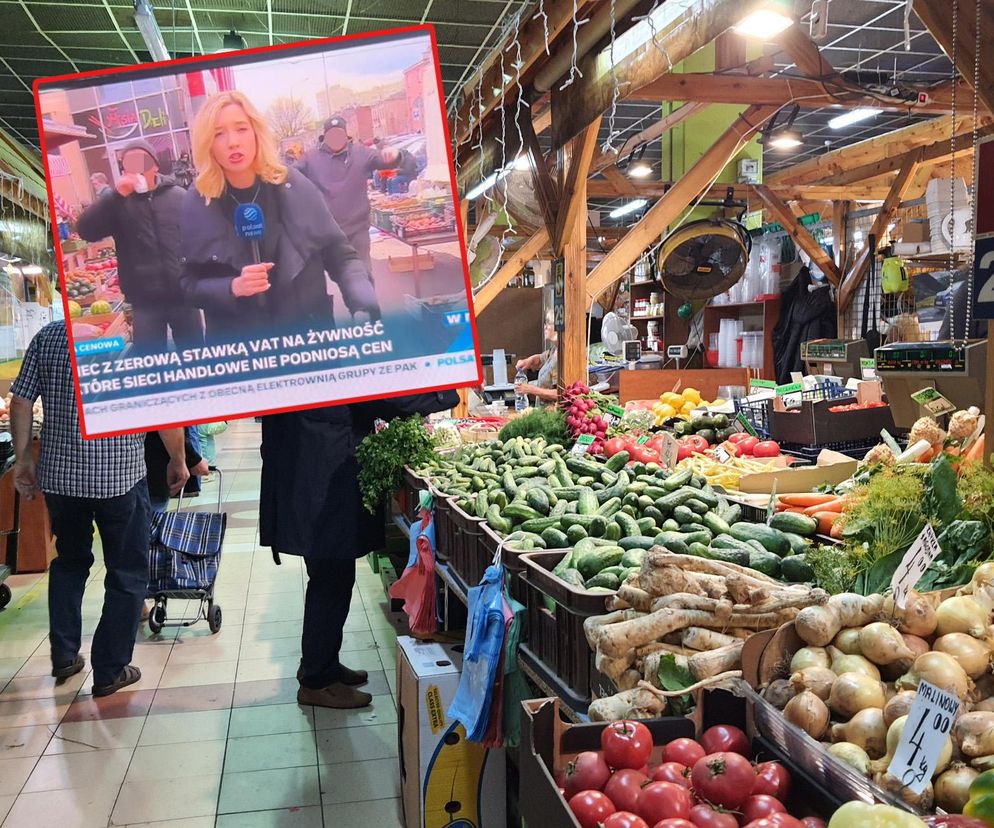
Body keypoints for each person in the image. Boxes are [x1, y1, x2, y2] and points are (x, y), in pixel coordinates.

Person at [9, 321, 190, 696]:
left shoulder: (49, 336)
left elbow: (22, 400)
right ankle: (109, 670)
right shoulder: (141, 339)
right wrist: (178, 459)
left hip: (62, 478)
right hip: (119, 479)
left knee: (70, 563)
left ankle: (64, 654)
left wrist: (24, 460)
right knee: (126, 571)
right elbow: (162, 410)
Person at [260, 391, 458, 709]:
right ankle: (317, 680)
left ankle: (321, 661)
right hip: (320, 476)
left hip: (312, 467)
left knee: (331, 575)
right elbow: (382, 400)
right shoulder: (331, 361)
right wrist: (439, 394)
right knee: (330, 578)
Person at [180, 92, 379, 342]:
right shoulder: (198, 201)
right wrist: (232, 287)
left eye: (241, 129)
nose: (232, 142)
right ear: (207, 143)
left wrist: (362, 302)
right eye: (219, 133)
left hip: (307, 342)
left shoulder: (293, 185)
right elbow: (187, 285)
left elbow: (342, 257)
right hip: (239, 352)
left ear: (256, 132)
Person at [77, 141, 204, 355]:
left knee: (196, 358)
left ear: (155, 166)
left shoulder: (179, 196)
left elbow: (198, 237)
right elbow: (86, 231)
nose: (137, 168)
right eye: (130, 163)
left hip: (183, 295)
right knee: (150, 362)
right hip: (144, 301)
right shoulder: (118, 204)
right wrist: (115, 196)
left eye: (142, 161)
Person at [296, 115, 415, 269]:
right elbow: (291, 174)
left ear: (346, 135)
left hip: (357, 230)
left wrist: (395, 155)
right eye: (332, 135)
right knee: (319, 279)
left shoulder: (361, 153)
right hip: (325, 231)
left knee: (362, 277)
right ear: (324, 137)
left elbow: (386, 160)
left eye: (339, 134)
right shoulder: (311, 158)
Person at [145, 427, 209, 513]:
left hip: (133, 472)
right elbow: (168, 425)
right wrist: (188, 461)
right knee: (153, 516)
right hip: (154, 468)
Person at [514, 313, 559, 406]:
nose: (545, 327)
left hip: (553, 414)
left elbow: (560, 394)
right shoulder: (554, 350)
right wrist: (528, 361)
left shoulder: (563, 358)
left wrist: (531, 389)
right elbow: (540, 359)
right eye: (545, 324)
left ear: (559, 327)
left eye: (549, 323)